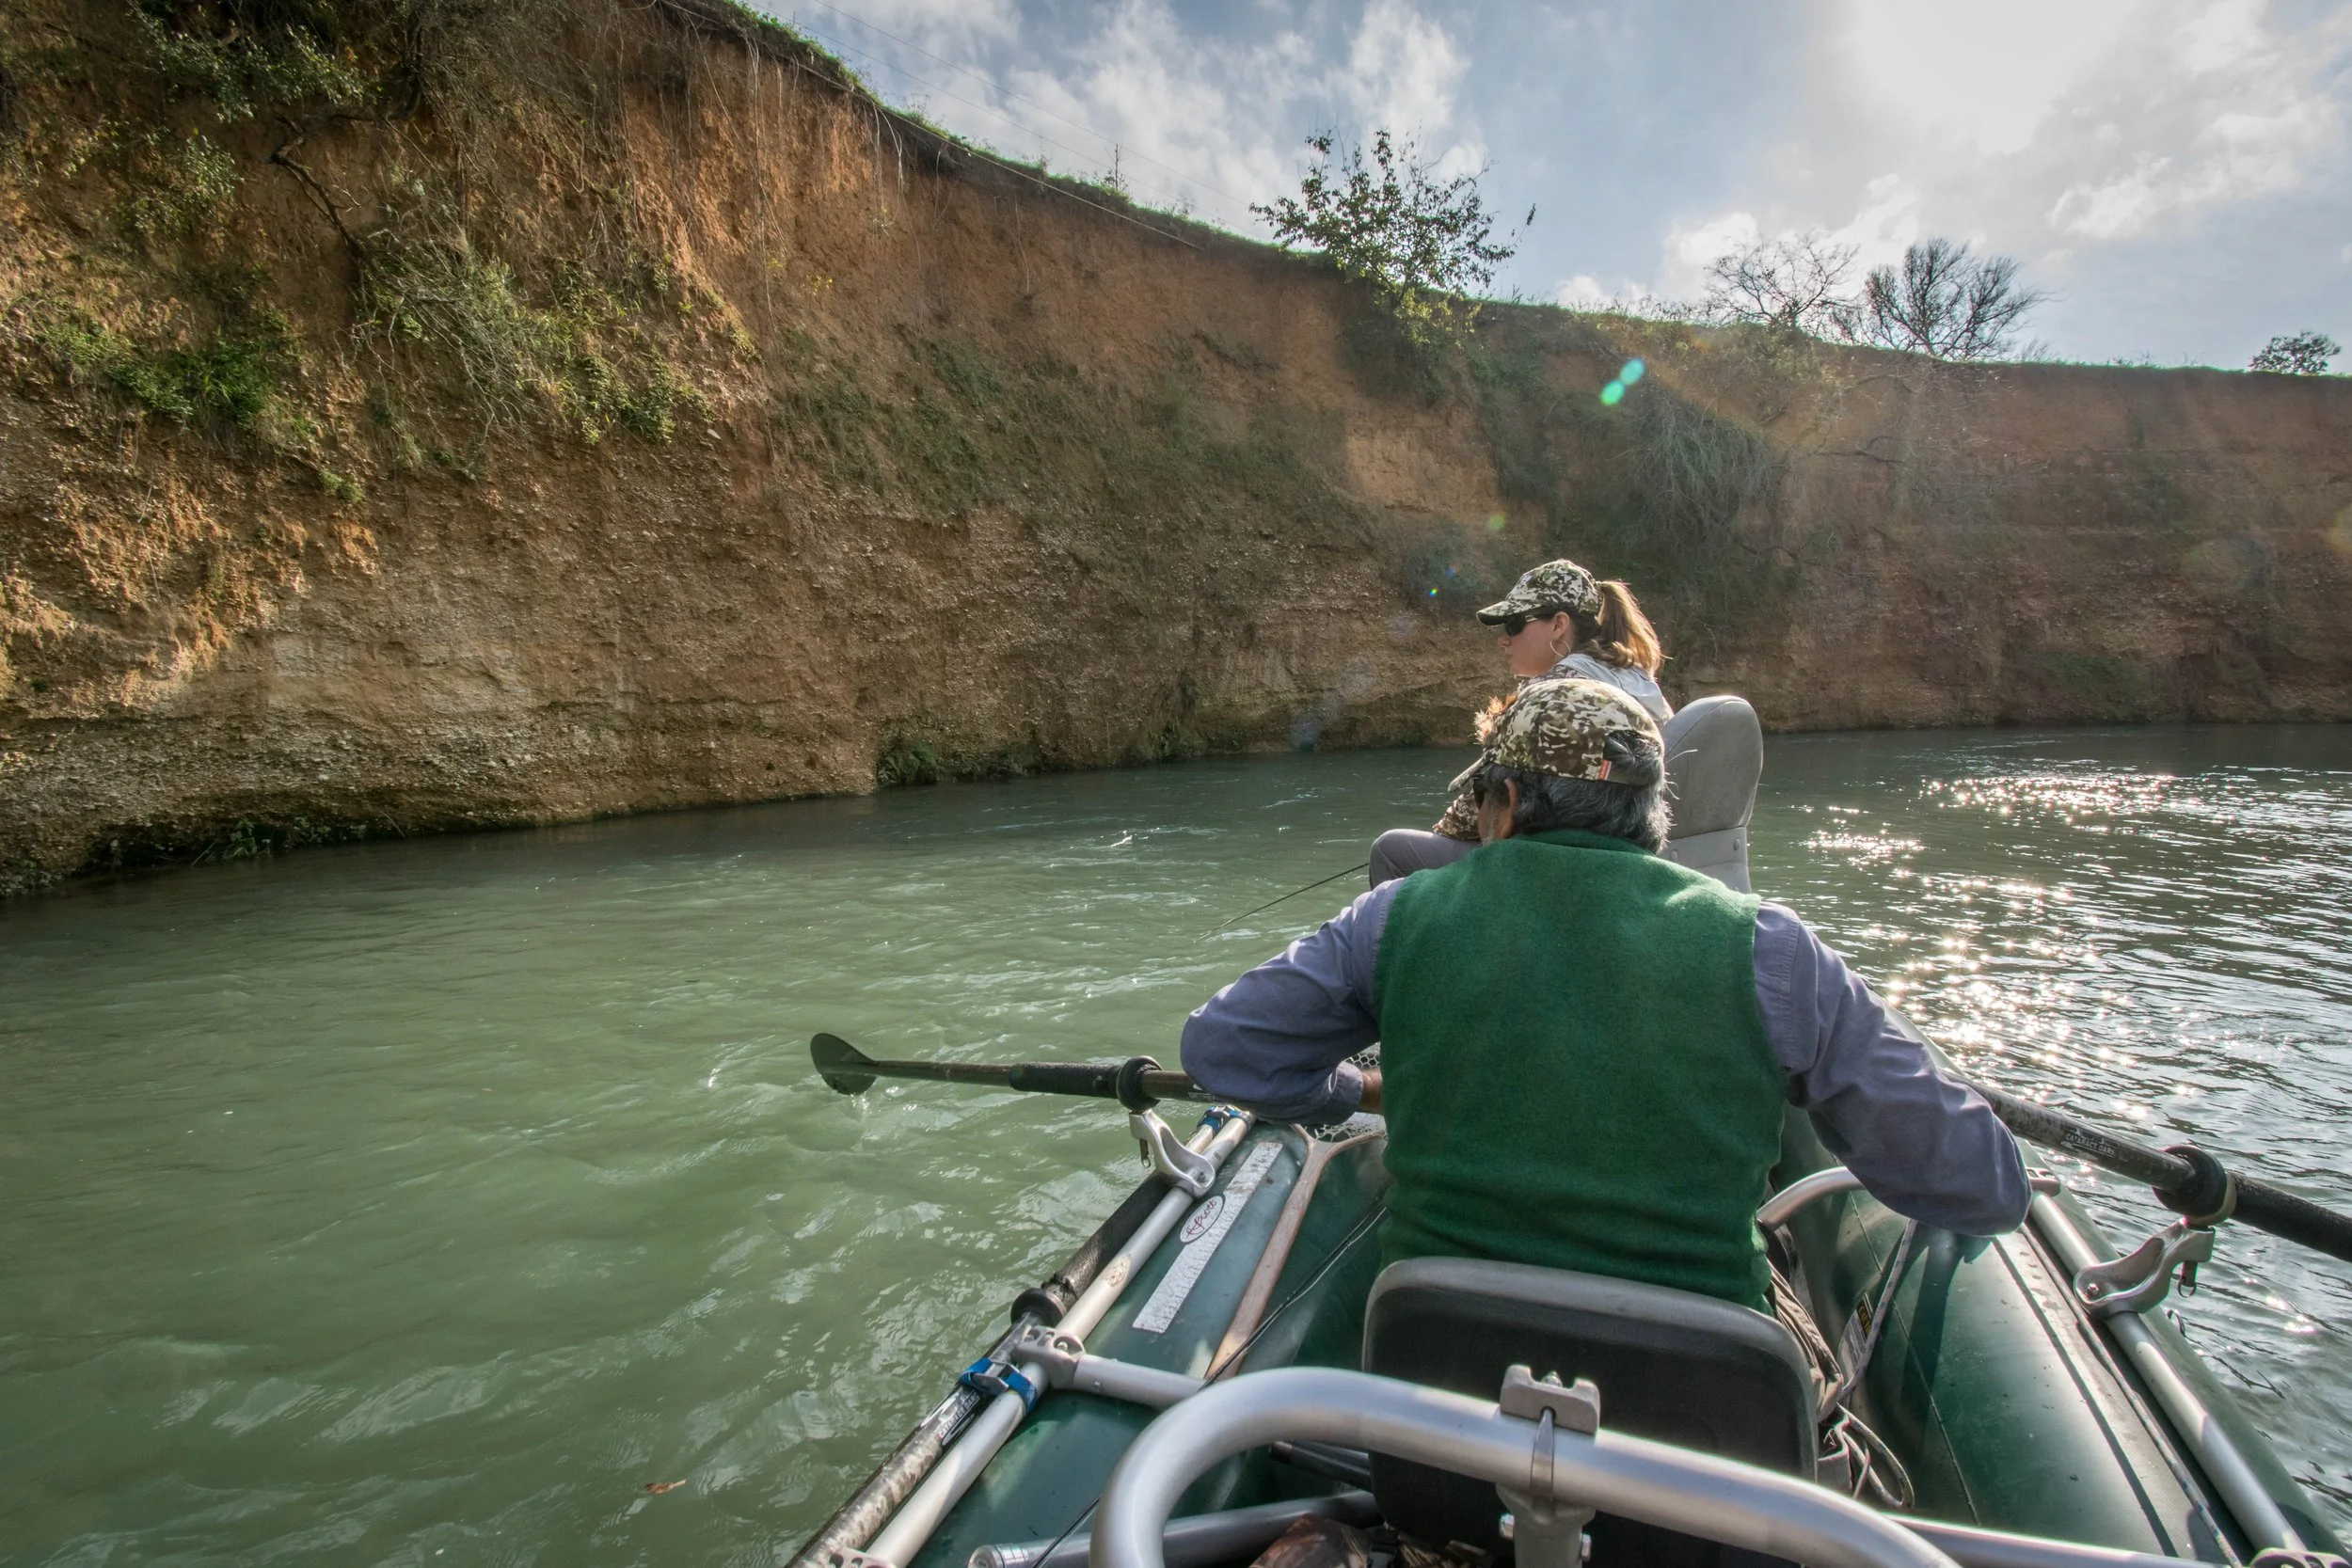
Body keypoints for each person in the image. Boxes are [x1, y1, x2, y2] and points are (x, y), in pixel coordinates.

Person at [1183, 677, 2027, 1311]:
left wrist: (1358, 1087)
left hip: (1436, 1402)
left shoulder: (1393, 918)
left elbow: (1221, 1050)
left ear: (1504, 803)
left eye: (1480, 803)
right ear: (1652, 814)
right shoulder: (1772, 948)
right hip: (1704, 1436)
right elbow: (1983, 1183)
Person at [1369, 558, 1674, 887]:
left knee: (1391, 850)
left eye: (1514, 624)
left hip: (1554, 868)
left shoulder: (1556, 693)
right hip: (1622, 854)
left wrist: (1440, 835)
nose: (1504, 639)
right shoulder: (1637, 680)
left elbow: (1481, 808)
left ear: (1559, 624)